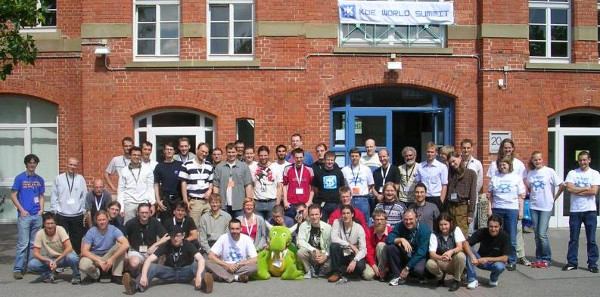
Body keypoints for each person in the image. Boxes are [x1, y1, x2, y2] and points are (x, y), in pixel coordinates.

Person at [122, 227, 213, 295]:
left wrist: (198, 276)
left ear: (183, 236)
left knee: (196, 265)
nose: (175, 239)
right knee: (153, 267)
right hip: (170, 272)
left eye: (178, 236)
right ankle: (135, 286)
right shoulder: (166, 245)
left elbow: (201, 259)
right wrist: (144, 276)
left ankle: (203, 284)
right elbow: (149, 260)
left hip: (186, 272)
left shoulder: (188, 245)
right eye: (173, 236)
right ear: (170, 237)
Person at [486, 138, 530, 267]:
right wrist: (490, 209)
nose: (502, 166)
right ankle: (498, 258)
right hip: (498, 208)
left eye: (505, 165)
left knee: (512, 236)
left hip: (511, 209)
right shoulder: (495, 176)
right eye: (501, 165)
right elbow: (490, 195)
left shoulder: (516, 176)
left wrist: (521, 211)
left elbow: (521, 195)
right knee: (497, 234)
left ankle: (511, 260)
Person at [563, 150, 599, 273]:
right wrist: (585, 188)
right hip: (575, 210)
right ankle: (572, 262)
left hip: (590, 211)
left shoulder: (595, 174)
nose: (582, 162)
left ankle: (592, 263)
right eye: (580, 160)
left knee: (591, 239)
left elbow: (594, 191)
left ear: (589, 160)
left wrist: (576, 190)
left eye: (584, 160)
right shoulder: (572, 173)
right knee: (573, 238)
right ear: (578, 161)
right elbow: (569, 188)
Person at [526, 151, 563, 268]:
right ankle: (539, 258)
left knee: (542, 233)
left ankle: (547, 258)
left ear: (542, 160)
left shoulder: (549, 171)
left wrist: (554, 198)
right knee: (537, 234)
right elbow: (530, 188)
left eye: (539, 159)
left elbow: (562, 185)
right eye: (535, 160)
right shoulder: (531, 173)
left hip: (546, 206)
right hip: (534, 206)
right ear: (532, 161)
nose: (537, 161)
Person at [12, 154, 45, 280]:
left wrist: (41, 210)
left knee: (33, 244)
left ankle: (31, 266)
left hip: (36, 216)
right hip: (24, 216)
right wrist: (21, 210)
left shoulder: (39, 180)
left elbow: (41, 196)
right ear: (26, 164)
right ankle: (18, 269)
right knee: (23, 244)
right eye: (30, 162)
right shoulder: (20, 178)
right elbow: (13, 195)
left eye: (34, 163)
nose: (32, 165)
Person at [28, 212, 81, 284]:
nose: (50, 226)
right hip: (51, 258)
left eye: (52, 223)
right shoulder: (40, 233)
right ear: (44, 224)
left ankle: (76, 276)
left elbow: (69, 248)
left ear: (55, 223)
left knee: (73, 257)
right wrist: (49, 260)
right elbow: (35, 253)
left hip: (64, 257)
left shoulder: (60, 229)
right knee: (32, 264)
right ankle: (49, 274)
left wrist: (56, 261)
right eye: (47, 224)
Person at [79, 210, 130, 284]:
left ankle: (116, 275)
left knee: (120, 246)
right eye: (99, 220)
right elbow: (85, 251)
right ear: (96, 221)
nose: (102, 222)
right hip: (95, 257)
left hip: (109, 255)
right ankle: (96, 274)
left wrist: (112, 259)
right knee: (83, 265)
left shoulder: (114, 229)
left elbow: (126, 244)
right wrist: (99, 261)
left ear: (108, 219)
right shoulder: (91, 232)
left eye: (104, 219)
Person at [50, 157, 87, 254]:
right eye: (71, 164)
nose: (72, 167)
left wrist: (83, 210)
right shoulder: (59, 178)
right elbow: (54, 195)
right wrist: (54, 210)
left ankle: (75, 260)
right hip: (62, 214)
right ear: (67, 164)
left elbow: (84, 195)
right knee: (62, 239)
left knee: (77, 239)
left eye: (75, 165)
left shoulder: (80, 179)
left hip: (77, 214)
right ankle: (62, 260)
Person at [463, 214, 511, 289]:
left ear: (500, 227)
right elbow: (465, 243)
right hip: (479, 260)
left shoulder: (505, 237)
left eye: (496, 227)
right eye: (491, 226)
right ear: (487, 225)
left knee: (500, 266)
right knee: (467, 249)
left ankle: (493, 278)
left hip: (494, 263)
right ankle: (472, 280)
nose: (493, 229)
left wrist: (487, 259)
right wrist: (473, 257)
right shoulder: (482, 231)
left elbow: (505, 258)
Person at [385, 209, 431, 286]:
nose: (408, 222)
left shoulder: (425, 231)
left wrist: (407, 267)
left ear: (416, 218)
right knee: (391, 248)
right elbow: (388, 239)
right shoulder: (400, 225)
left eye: (411, 219)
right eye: (405, 219)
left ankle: (414, 274)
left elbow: (421, 252)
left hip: (418, 256)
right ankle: (398, 276)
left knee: (419, 270)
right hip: (406, 254)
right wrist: (400, 239)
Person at [123, 203, 168, 276]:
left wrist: (155, 245)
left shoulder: (154, 222)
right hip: (136, 251)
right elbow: (121, 237)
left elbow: (167, 236)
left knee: (164, 250)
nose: (144, 215)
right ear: (138, 213)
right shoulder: (130, 223)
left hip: (151, 250)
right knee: (134, 263)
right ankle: (133, 271)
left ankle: (156, 272)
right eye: (142, 213)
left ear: (150, 213)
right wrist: (124, 252)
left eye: (146, 212)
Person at [328, 205, 370, 283]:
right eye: (343, 213)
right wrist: (350, 245)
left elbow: (363, 250)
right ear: (341, 214)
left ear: (352, 214)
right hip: (343, 252)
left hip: (353, 254)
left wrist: (354, 260)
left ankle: (348, 270)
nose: (346, 216)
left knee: (360, 266)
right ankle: (336, 272)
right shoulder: (337, 222)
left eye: (348, 213)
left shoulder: (358, 228)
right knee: (334, 246)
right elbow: (334, 238)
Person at [425, 213, 466, 291]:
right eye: (441, 225)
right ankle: (440, 278)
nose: (443, 227)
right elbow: (432, 254)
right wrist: (441, 257)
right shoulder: (434, 234)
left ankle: (457, 280)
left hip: (453, 261)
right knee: (429, 263)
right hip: (442, 261)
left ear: (450, 223)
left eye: (445, 224)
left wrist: (451, 252)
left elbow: (460, 247)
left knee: (461, 255)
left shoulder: (456, 230)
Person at [213, 143, 253, 217]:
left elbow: (248, 185)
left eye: (233, 152)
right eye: (229, 152)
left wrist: (249, 201)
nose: (231, 154)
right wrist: (216, 201)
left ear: (237, 152)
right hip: (223, 205)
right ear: (226, 153)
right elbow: (216, 186)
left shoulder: (243, 166)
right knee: (224, 227)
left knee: (239, 227)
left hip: (239, 205)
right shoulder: (219, 167)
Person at [118, 146, 155, 223]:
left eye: (138, 155)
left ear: (140, 156)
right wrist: (121, 207)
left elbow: (150, 188)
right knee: (129, 227)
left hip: (143, 202)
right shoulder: (124, 171)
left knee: (145, 227)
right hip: (129, 203)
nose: (136, 157)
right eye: (134, 155)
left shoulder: (147, 170)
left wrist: (152, 203)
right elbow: (121, 189)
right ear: (130, 156)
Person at [179, 143, 214, 225]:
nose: (204, 154)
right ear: (196, 150)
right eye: (202, 151)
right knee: (194, 227)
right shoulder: (187, 165)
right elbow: (183, 183)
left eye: (206, 152)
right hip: (194, 201)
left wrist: (209, 191)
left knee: (207, 226)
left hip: (206, 202)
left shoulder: (209, 165)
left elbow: (211, 182)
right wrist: (185, 200)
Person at [445, 150, 478, 237]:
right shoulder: (449, 173)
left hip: (462, 208)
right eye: (450, 163)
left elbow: (473, 194)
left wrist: (471, 212)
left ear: (459, 158)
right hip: (450, 206)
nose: (452, 164)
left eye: (453, 161)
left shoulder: (471, 174)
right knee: (450, 233)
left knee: (462, 235)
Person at [296, 204, 332, 278]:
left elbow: (330, 244)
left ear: (320, 215)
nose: (314, 217)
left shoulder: (328, 227)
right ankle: (309, 270)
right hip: (311, 252)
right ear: (308, 216)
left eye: (316, 214)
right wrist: (314, 249)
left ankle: (320, 269)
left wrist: (325, 255)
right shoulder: (304, 225)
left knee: (328, 266)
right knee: (300, 252)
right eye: (312, 215)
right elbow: (300, 241)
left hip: (323, 253)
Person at [342, 147, 374, 224]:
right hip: (350, 200)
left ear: (360, 157)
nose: (354, 158)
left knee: (364, 222)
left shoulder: (366, 169)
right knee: (349, 221)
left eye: (356, 156)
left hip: (363, 199)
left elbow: (371, 184)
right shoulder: (344, 170)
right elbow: (343, 186)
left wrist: (363, 191)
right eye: (352, 156)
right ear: (349, 157)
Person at [153, 141, 183, 222]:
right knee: (166, 223)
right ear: (164, 151)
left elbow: (184, 183)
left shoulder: (180, 165)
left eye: (171, 149)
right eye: (167, 149)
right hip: (165, 200)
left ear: (174, 151)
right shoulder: (159, 166)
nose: (169, 151)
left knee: (178, 222)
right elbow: (156, 184)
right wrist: (158, 201)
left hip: (178, 199)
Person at [250, 145, 282, 220]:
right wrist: (252, 201)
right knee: (258, 227)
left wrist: (277, 203)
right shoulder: (252, 168)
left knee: (270, 227)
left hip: (272, 202)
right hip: (257, 203)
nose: (263, 157)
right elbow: (251, 186)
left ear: (268, 155)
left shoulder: (276, 167)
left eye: (265, 155)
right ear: (258, 155)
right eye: (261, 155)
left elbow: (279, 186)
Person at [312, 151, 346, 222]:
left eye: (332, 160)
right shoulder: (319, 173)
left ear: (334, 161)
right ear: (324, 160)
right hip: (323, 204)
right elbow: (315, 188)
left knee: (337, 224)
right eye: (328, 160)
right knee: (322, 224)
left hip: (336, 204)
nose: (330, 162)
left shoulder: (338, 172)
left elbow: (342, 187)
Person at [282, 148, 314, 218]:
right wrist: (285, 201)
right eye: (296, 157)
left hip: (305, 204)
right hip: (291, 203)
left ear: (304, 157)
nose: (299, 159)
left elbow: (313, 187)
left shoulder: (309, 169)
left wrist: (309, 202)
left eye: (301, 157)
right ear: (293, 158)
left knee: (304, 226)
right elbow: (284, 185)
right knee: (291, 225)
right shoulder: (287, 169)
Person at [415, 142, 448, 211]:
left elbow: (444, 185)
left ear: (436, 153)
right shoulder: (420, 166)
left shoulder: (442, 167)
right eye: (428, 152)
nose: (430, 154)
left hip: (437, 198)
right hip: (424, 197)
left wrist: (441, 201)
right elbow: (418, 183)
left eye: (432, 152)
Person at [460, 139, 484, 233]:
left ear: (472, 149)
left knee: (470, 228)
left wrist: (472, 194)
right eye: (464, 148)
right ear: (461, 148)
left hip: (471, 201)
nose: (466, 150)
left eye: (468, 148)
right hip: (459, 200)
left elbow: (479, 182)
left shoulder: (477, 163)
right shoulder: (457, 161)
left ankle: (470, 247)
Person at [366, 210, 392, 281]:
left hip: (386, 262)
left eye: (382, 219)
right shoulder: (368, 231)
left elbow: (393, 253)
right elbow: (368, 250)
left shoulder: (391, 232)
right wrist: (373, 265)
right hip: (373, 260)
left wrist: (387, 267)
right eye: (377, 219)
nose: (379, 222)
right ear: (373, 221)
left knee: (381, 245)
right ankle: (378, 272)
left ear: (386, 221)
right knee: (368, 275)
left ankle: (383, 272)